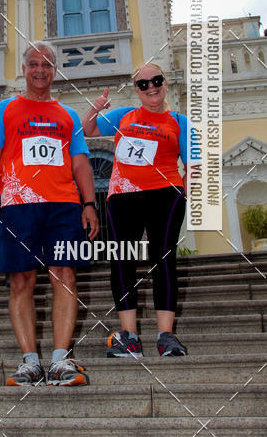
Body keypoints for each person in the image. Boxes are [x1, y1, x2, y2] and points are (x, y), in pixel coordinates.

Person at [0, 41, 99, 387]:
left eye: (47, 64)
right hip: (19, 205)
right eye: (34, 63)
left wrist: (89, 203)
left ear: (55, 70)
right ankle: (30, 362)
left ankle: (61, 361)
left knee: (66, 276)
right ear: (24, 68)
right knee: (21, 281)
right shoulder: (4, 110)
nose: (40, 70)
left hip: (63, 205)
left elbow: (80, 162)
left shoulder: (68, 115)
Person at [82, 63, 199, 358]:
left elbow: (195, 165)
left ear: (165, 83)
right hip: (123, 196)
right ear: (137, 90)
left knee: (164, 260)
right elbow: (89, 130)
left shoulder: (180, 122)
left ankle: (166, 336)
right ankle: (129, 336)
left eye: (156, 80)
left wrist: (182, 192)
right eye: (143, 84)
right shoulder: (125, 115)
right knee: (123, 261)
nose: (151, 87)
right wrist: (95, 108)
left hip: (165, 196)